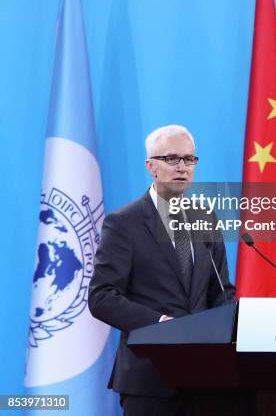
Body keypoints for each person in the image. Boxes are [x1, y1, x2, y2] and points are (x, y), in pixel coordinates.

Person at [88, 125, 235, 416]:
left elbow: (221, 292)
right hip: (149, 379)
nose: (182, 167)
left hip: (207, 379)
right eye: (172, 159)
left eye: (189, 160)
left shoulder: (205, 218)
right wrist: (161, 323)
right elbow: (102, 296)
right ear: (151, 166)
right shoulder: (124, 223)